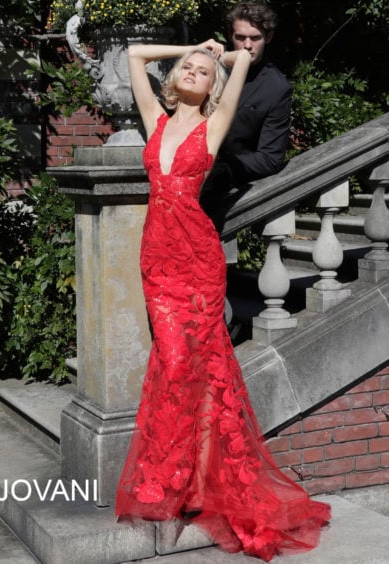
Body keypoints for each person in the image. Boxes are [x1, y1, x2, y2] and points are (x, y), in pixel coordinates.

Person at [115, 38, 330, 562]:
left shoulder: (213, 125)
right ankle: (173, 482)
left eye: (201, 72)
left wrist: (222, 59)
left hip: (198, 259)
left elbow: (242, 65)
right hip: (158, 263)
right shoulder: (155, 119)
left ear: (213, 87)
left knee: (198, 369)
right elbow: (134, 56)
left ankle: (192, 486)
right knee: (172, 362)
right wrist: (195, 45)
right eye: (186, 68)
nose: (191, 72)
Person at [218, 1, 292, 187]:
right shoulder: (207, 67)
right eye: (240, 37)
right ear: (230, 35)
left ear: (268, 37)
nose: (247, 45)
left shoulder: (276, 88)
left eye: (255, 38)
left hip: (225, 185)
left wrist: (220, 171)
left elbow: (270, 157)